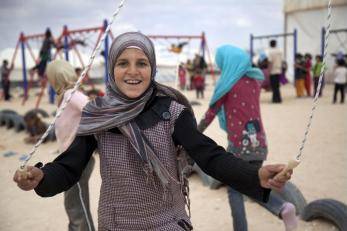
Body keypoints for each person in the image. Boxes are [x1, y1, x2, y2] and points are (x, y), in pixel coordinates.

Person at [13, 32, 292, 231]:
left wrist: (253, 174)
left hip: (167, 223)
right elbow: (69, 166)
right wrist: (42, 177)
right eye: (123, 63)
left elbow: (209, 155)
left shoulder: (171, 111)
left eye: (141, 63)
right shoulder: (97, 113)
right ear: (112, 69)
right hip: (115, 225)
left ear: (152, 67)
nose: (132, 71)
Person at [196, 45, 297, 231]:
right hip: (259, 143)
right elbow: (268, 77)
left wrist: (193, 133)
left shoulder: (227, 84)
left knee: (234, 190)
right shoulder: (255, 80)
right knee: (254, 184)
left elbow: (211, 113)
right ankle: (283, 207)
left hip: (238, 146)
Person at [46, 60, 96, 231]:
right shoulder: (64, 97)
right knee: (73, 205)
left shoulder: (70, 94)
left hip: (77, 161)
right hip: (68, 161)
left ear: (56, 77)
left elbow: (93, 109)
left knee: (77, 207)